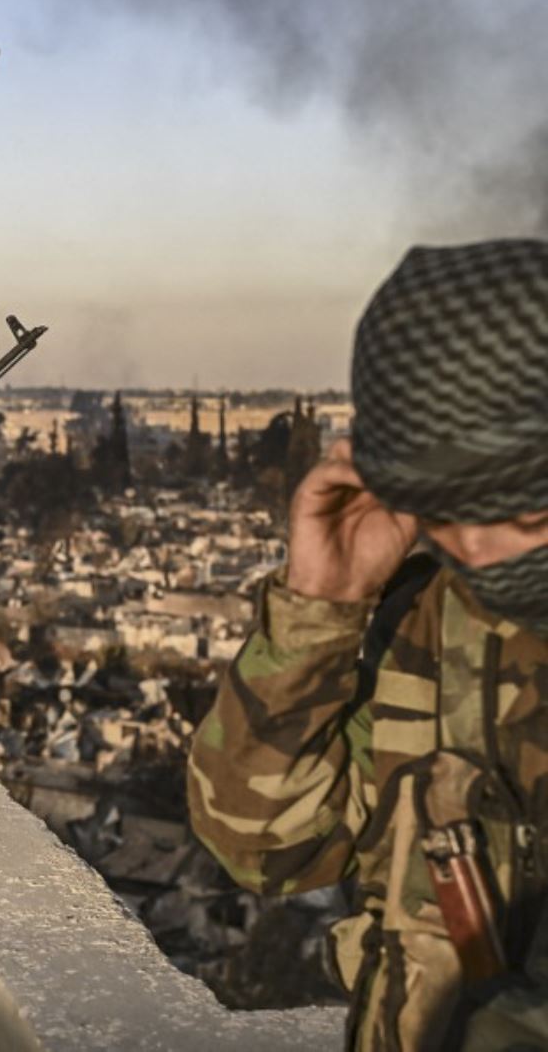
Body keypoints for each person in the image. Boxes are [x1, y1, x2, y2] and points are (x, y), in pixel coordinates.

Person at [188, 239, 548, 1050]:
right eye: (445, 509)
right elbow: (265, 849)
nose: (482, 551)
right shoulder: (431, 618)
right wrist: (321, 608)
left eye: (519, 510)